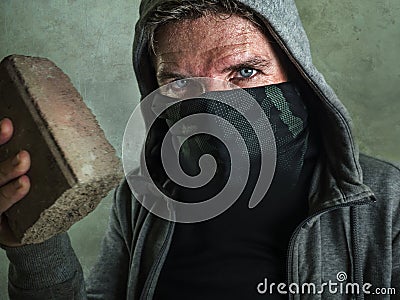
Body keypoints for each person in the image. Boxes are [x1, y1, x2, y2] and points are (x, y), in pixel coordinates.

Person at [0, 0, 399, 299]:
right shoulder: (143, 198)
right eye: (178, 85)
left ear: (297, 73)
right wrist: (36, 245)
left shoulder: (386, 203)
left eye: (243, 71)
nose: (214, 111)